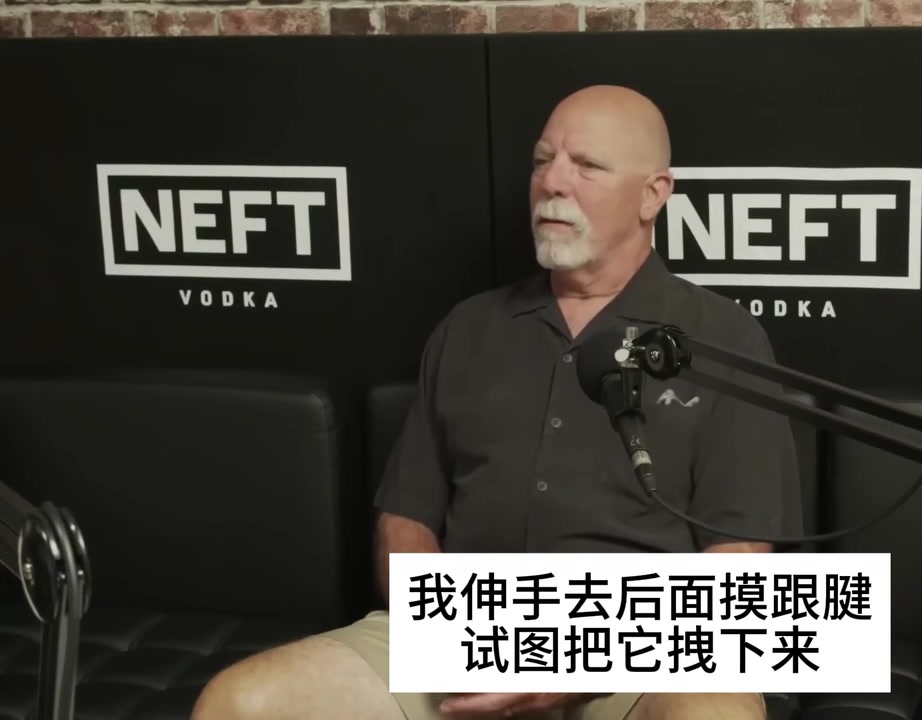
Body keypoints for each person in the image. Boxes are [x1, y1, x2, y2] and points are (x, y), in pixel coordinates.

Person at [191, 84, 802, 720]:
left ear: (653, 194)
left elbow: (739, 563)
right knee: (241, 704)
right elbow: (406, 519)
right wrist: (443, 633)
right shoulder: (468, 328)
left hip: (640, 652)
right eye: (542, 160)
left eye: (587, 165)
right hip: (462, 635)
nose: (552, 182)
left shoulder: (722, 338)